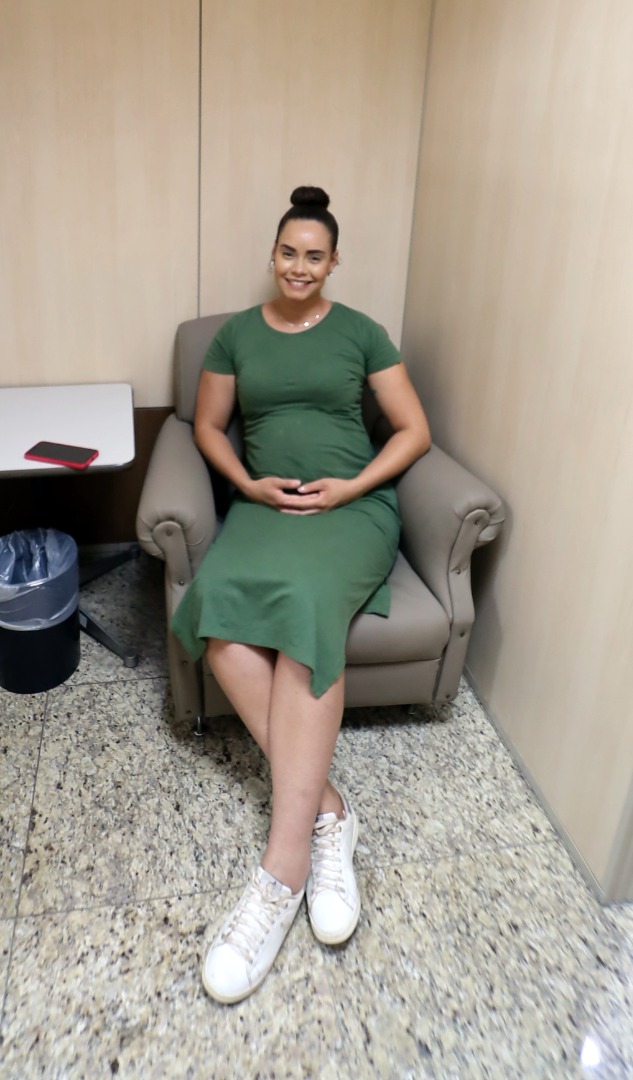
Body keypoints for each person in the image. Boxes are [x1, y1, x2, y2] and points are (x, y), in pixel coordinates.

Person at [172, 186, 431, 1004]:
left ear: (332, 262)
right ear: (273, 253)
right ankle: (328, 811)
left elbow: (414, 430)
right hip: (265, 509)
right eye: (288, 252)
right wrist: (247, 482)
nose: (298, 266)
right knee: (217, 617)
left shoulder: (362, 332)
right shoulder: (235, 337)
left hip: (350, 512)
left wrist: (351, 487)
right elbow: (206, 425)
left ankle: (280, 875)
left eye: (314, 256)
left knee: (308, 613)